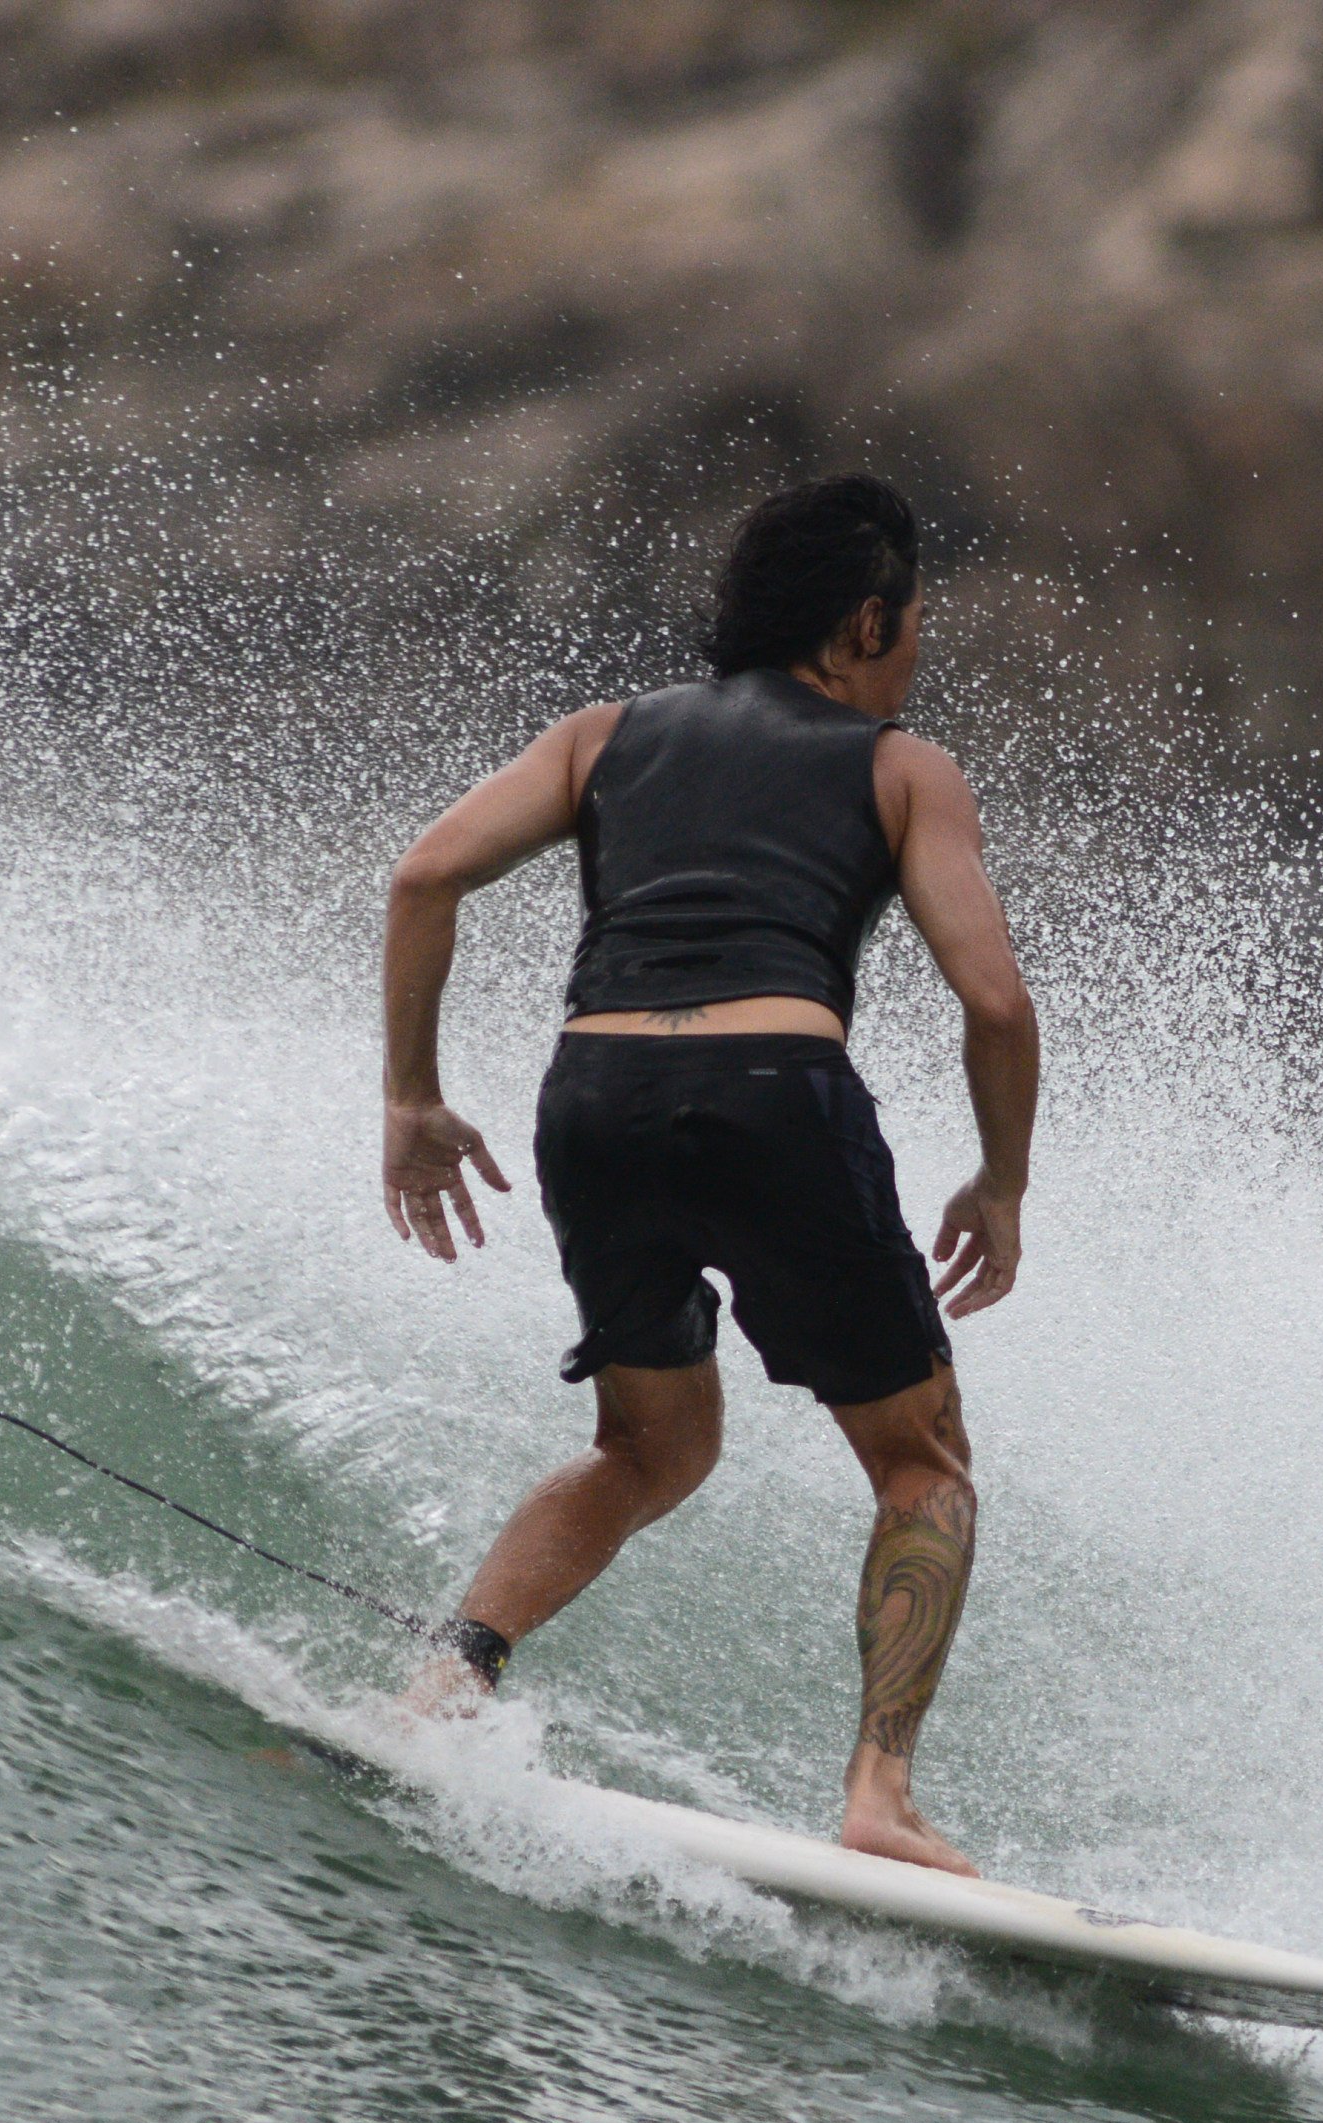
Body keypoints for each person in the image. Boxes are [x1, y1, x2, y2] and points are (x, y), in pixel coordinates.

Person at [376, 476, 1037, 1878]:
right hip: (774, 1093)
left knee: (651, 1445)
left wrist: (412, 1094)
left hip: (596, 1098)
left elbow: (424, 875)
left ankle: (445, 1681)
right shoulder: (903, 766)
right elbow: (995, 1005)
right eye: (913, 626)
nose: (917, 655)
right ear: (865, 623)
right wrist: (1000, 1183)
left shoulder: (602, 737)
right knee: (923, 1464)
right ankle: (880, 1794)